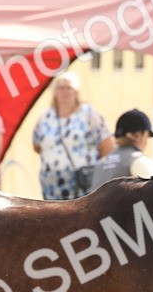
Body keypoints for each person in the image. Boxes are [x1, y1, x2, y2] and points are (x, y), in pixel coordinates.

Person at [31, 72, 114, 200]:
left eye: (69, 88)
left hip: (82, 183)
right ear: (54, 92)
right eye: (61, 88)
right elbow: (37, 146)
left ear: (76, 92)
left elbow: (107, 146)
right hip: (52, 187)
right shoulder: (46, 116)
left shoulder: (89, 114)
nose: (64, 92)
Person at [87, 108, 153, 192]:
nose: (147, 142)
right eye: (147, 136)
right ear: (137, 135)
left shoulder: (100, 163)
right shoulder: (139, 161)